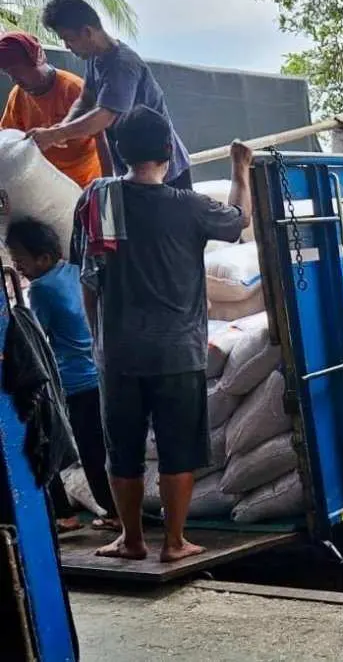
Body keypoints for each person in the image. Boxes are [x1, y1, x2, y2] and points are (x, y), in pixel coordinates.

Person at [71, 106, 251, 562]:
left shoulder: (100, 200)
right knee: (177, 448)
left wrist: (99, 340)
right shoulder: (189, 206)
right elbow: (238, 219)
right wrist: (240, 166)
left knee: (123, 449)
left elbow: (90, 277)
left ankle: (131, 539)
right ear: (169, 151)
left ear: (117, 150)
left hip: (119, 352)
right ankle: (174, 542)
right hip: (177, 353)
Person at [6, 218, 119, 532]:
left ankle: (104, 513)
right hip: (98, 374)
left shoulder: (41, 289)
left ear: (42, 258)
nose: (19, 267)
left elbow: (35, 338)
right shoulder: (73, 272)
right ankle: (114, 508)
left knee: (85, 449)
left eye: (19, 261)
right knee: (104, 446)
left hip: (72, 382)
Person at [31, 0, 193, 189]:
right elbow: (85, 100)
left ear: (87, 32)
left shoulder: (122, 65)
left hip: (163, 169)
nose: (66, 46)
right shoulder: (95, 58)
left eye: (69, 39)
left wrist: (55, 136)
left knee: (172, 219)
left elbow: (104, 117)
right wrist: (60, 129)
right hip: (133, 169)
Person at [0, 32, 102, 188]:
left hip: (82, 184)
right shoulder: (18, 94)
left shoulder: (74, 89)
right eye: (8, 74)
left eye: (17, 71)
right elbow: (7, 137)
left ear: (37, 59)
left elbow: (103, 138)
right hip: (40, 183)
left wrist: (108, 187)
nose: (14, 79)